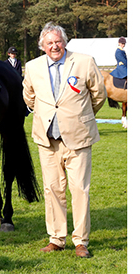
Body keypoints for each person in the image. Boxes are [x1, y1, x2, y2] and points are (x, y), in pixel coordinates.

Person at [22, 22, 106, 258]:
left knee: (80, 190)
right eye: (49, 43)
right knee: (52, 190)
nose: (54, 46)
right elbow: (29, 97)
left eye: (58, 41)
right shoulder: (32, 67)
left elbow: (98, 95)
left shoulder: (84, 62)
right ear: (42, 46)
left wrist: (79, 116)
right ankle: (57, 239)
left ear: (65, 42)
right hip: (47, 140)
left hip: (78, 138)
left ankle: (81, 241)